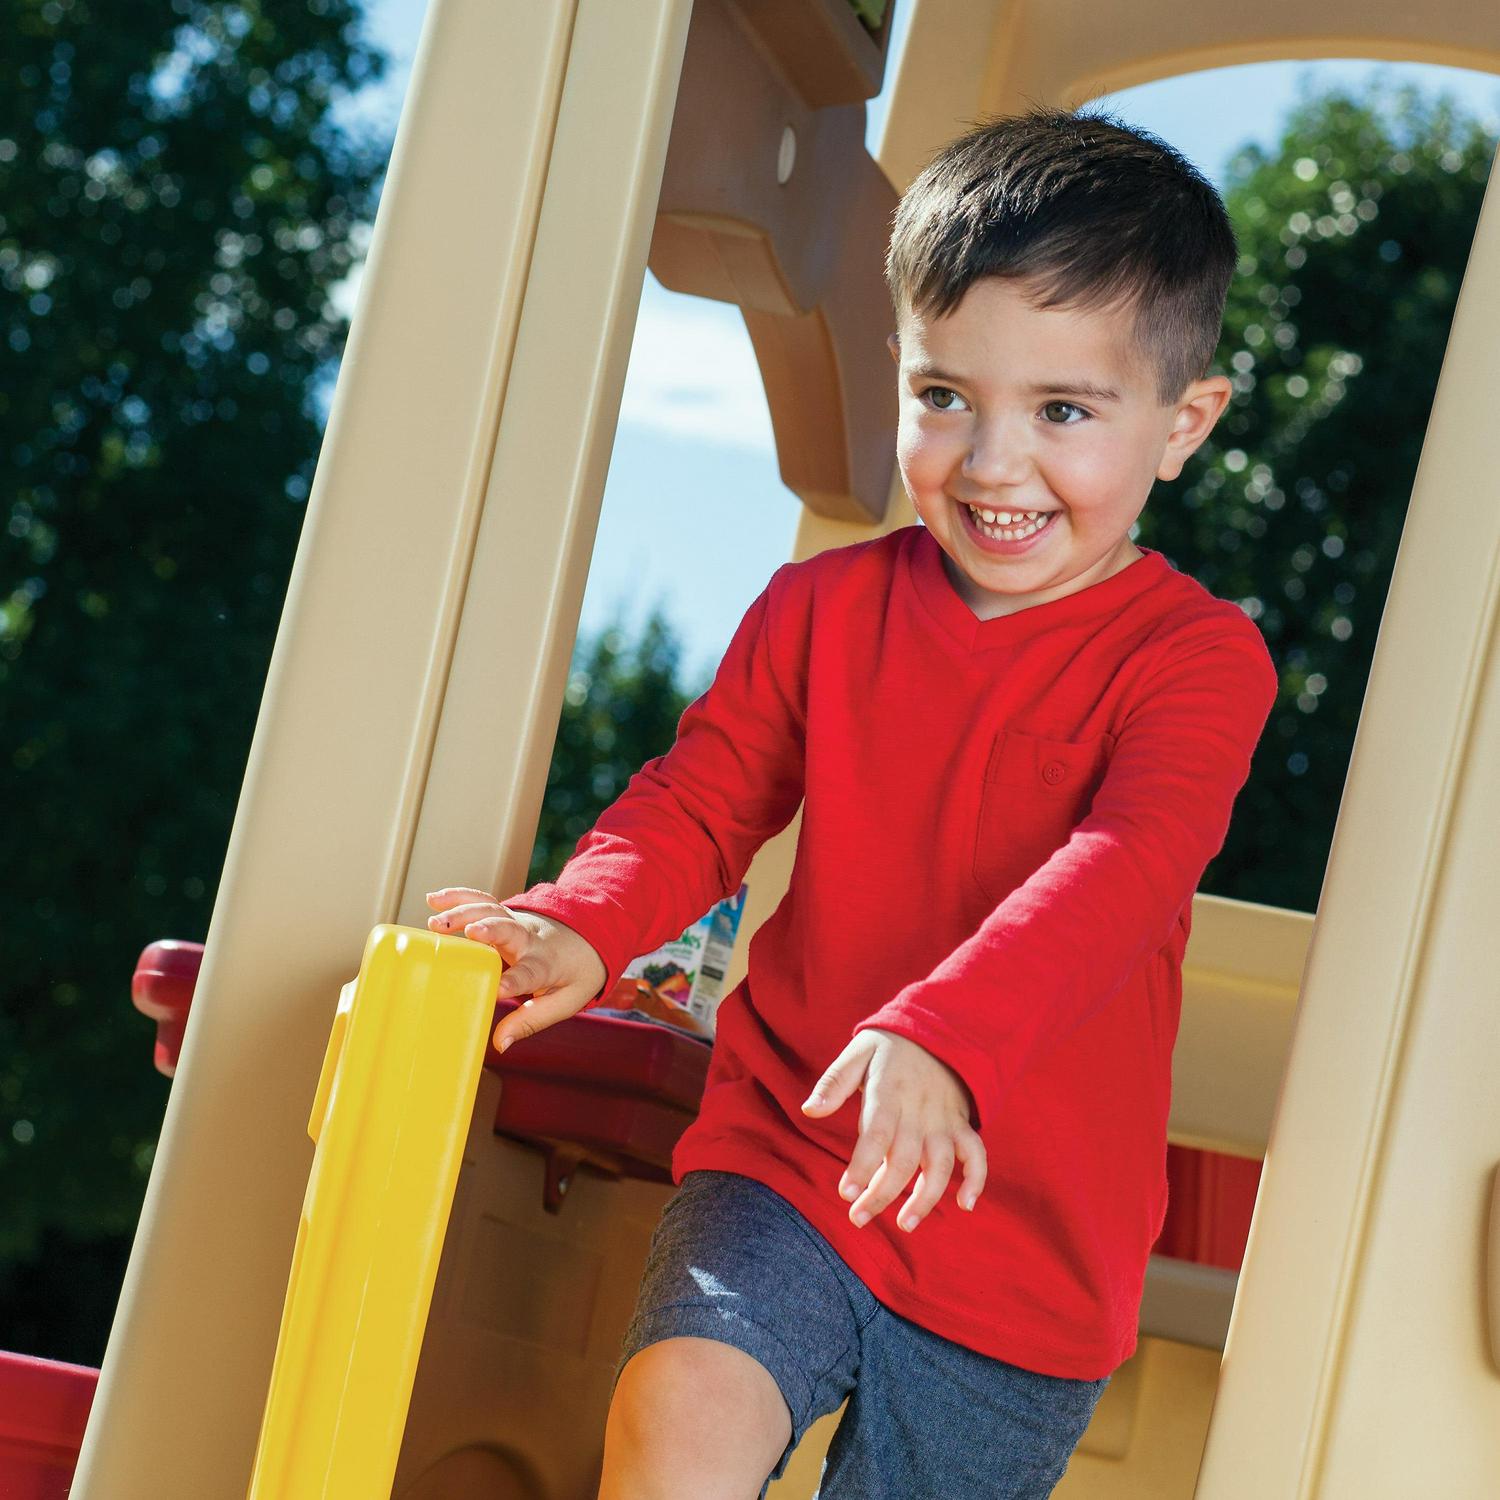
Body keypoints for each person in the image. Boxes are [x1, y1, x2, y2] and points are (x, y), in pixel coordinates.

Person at [427, 102, 1279, 1499]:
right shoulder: (822, 612)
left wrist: (945, 1036)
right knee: (678, 1407)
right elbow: (701, 800)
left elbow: (1127, 868)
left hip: (1029, 1246)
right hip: (793, 1146)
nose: (991, 462)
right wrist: (585, 919)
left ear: (1183, 425)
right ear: (901, 371)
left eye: (1062, 412)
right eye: (947, 396)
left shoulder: (1196, 659)